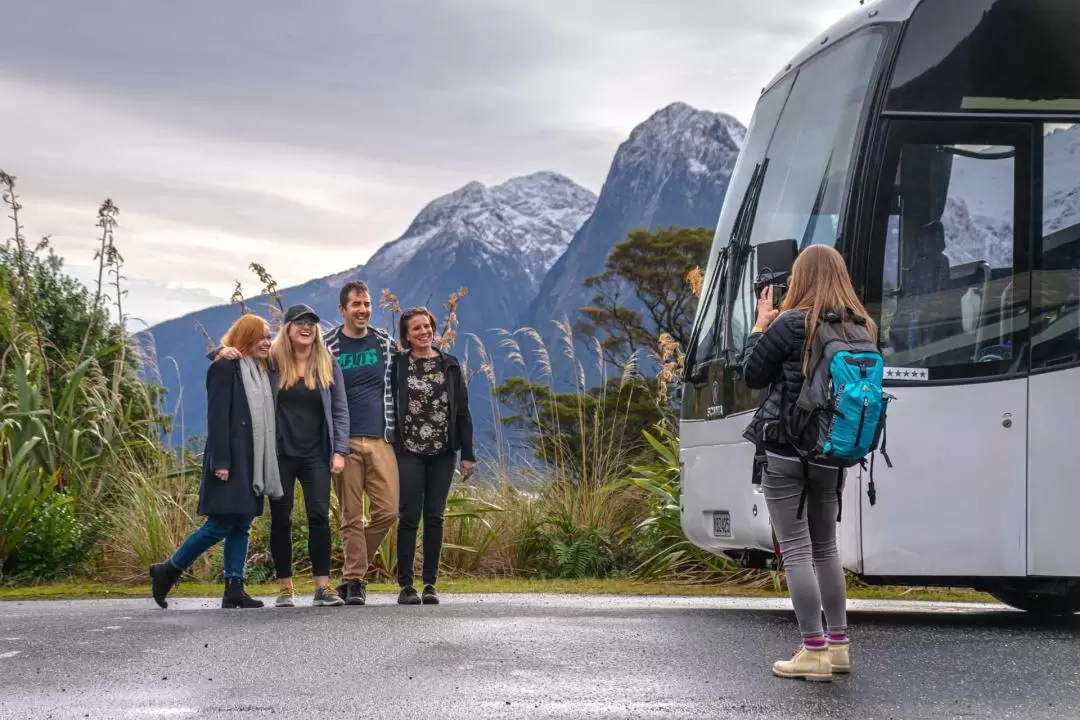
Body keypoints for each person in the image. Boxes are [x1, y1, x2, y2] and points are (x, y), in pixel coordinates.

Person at [739, 244, 874, 681]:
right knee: (826, 548)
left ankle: (812, 651)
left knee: (795, 549)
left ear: (799, 279)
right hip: (833, 451)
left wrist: (760, 327)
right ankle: (839, 647)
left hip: (785, 448)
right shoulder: (861, 325)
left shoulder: (790, 323)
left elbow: (752, 376)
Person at [149, 314, 283, 610]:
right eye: (260, 336)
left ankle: (234, 587)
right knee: (219, 524)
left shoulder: (263, 369)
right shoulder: (226, 367)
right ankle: (168, 570)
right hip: (232, 459)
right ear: (245, 337)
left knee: (243, 524)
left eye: (268, 335)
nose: (267, 341)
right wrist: (221, 461)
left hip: (254, 459)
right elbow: (218, 416)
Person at [266, 304, 350, 608]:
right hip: (280, 454)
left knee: (319, 517)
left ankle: (322, 588)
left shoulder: (327, 363)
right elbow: (237, 360)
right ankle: (285, 588)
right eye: (300, 323)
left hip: (317, 454)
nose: (307, 328)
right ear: (287, 328)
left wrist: (339, 450)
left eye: (312, 324)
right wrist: (223, 352)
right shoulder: (272, 362)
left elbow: (340, 409)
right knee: (281, 518)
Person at [390, 307, 476, 605]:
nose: (424, 332)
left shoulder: (449, 365)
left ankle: (430, 584)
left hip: (443, 450)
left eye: (427, 326)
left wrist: (468, 454)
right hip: (409, 449)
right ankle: (406, 586)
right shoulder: (398, 365)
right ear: (406, 336)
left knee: (435, 516)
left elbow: (462, 411)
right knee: (409, 515)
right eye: (416, 329)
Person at [326, 281, 401, 606]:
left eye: (367, 304)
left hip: (381, 437)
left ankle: (350, 572)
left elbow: (408, 372)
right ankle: (355, 582)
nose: (363, 310)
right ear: (343, 310)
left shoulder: (384, 342)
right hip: (342, 443)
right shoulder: (327, 345)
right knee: (351, 515)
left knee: (388, 510)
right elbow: (287, 353)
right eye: (356, 304)